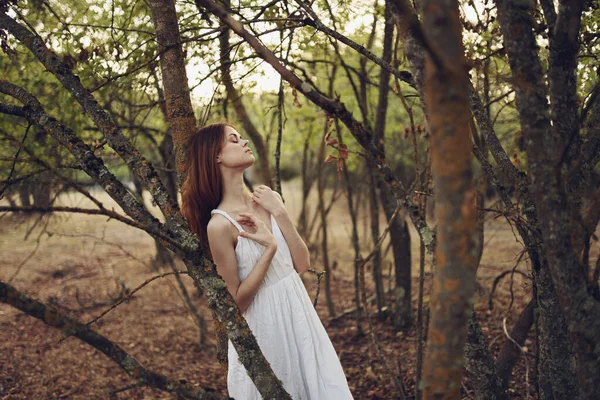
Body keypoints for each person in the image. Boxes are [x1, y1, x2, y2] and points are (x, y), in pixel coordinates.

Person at [181, 122, 354, 399]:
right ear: (217, 156)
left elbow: (301, 264)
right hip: (265, 328)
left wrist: (280, 212)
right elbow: (236, 302)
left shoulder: (267, 200)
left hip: (299, 315)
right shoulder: (220, 225)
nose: (245, 142)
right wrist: (269, 249)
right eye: (234, 140)